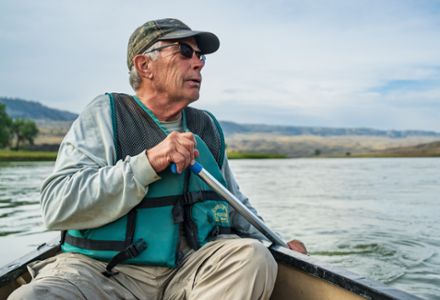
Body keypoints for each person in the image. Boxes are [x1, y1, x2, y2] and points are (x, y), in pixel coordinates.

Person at [9, 18, 306, 300]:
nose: (199, 62)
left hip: (189, 268)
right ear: (145, 65)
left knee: (254, 257)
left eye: (201, 55)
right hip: (104, 271)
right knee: (33, 297)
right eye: (185, 51)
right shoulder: (105, 114)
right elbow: (56, 205)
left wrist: (278, 242)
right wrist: (148, 163)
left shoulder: (207, 128)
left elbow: (234, 204)